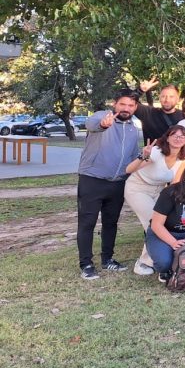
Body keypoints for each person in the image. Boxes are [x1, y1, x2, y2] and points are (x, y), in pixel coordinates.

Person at [76, 89, 140, 279]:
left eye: (130, 105)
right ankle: (86, 264)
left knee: (111, 223)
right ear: (115, 104)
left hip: (117, 183)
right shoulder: (102, 116)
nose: (126, 108)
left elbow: (132, 158)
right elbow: (92, 123)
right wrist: (104, 124)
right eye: (122, 104)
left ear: (135, 107)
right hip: (92, 180)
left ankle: (107, 259)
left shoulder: (133, 129)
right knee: (87, 223)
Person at [124, 125, 185, 275]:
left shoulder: (183, 158)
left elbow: (175, 184)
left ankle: (162, 258)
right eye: (174, 135)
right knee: (153, 222)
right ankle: (144, 262)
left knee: (165, 221)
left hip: (160, 191)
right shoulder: (155, 152)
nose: (178, 138)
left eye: (182, 136)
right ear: (167, 138)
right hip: (138, 188)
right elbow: (128, 170)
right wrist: (143, 156)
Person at [134, 79, 185, 143]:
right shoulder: (148, 113)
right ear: (159, 98)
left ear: (177, 99)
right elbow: (127, 102)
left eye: (171, 97)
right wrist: (139, 91)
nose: (167, 100)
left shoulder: (184, 116)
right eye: (163, 96)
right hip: (152, 149)